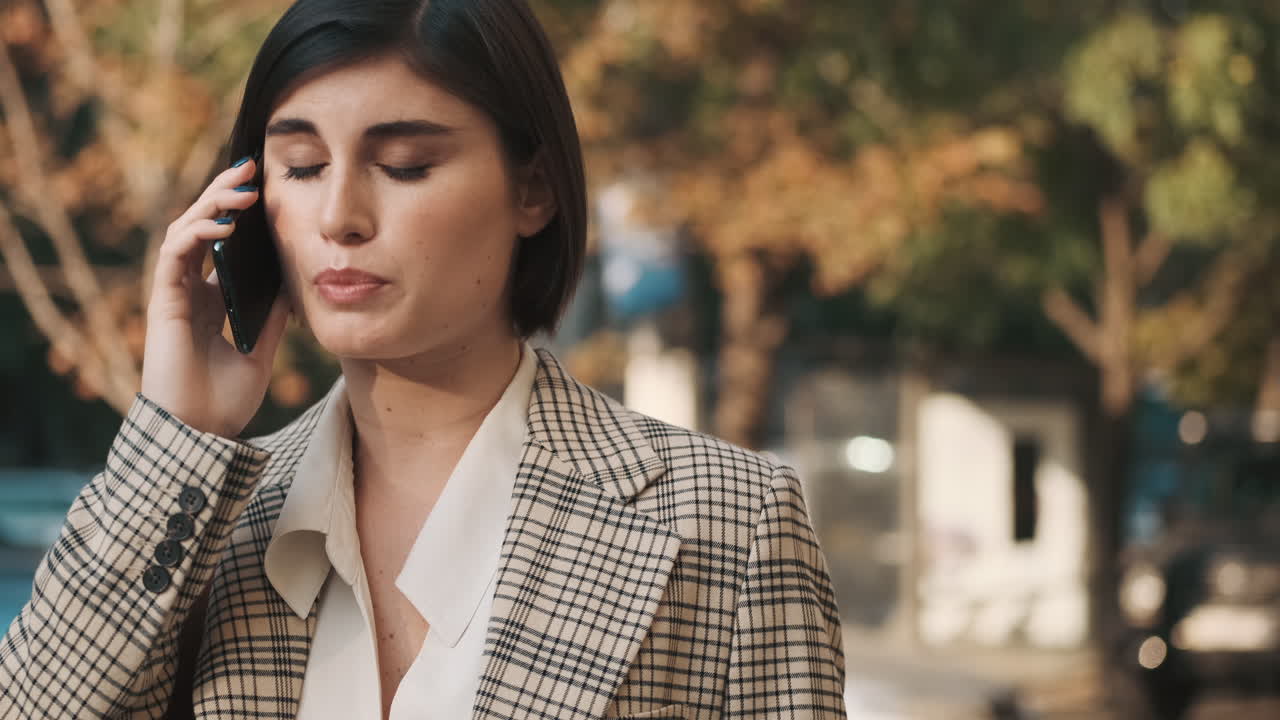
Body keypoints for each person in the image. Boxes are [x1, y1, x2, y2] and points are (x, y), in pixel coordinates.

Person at [0, 0, 846, 717]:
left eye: (403, 166)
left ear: (533, 190)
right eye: (300, 167)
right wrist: (177, 435)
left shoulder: (732, 523)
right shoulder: (196, 527)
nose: (340, 216)